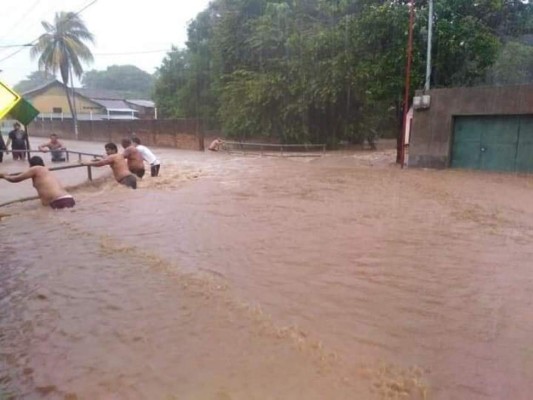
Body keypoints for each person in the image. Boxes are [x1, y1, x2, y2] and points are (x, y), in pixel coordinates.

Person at [0, 156, 75, 209]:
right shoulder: (45, 170)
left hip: (59, 201)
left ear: (31, 165)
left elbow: (15, 179)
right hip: (67, 199)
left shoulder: (35, 169)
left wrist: (4, 176)